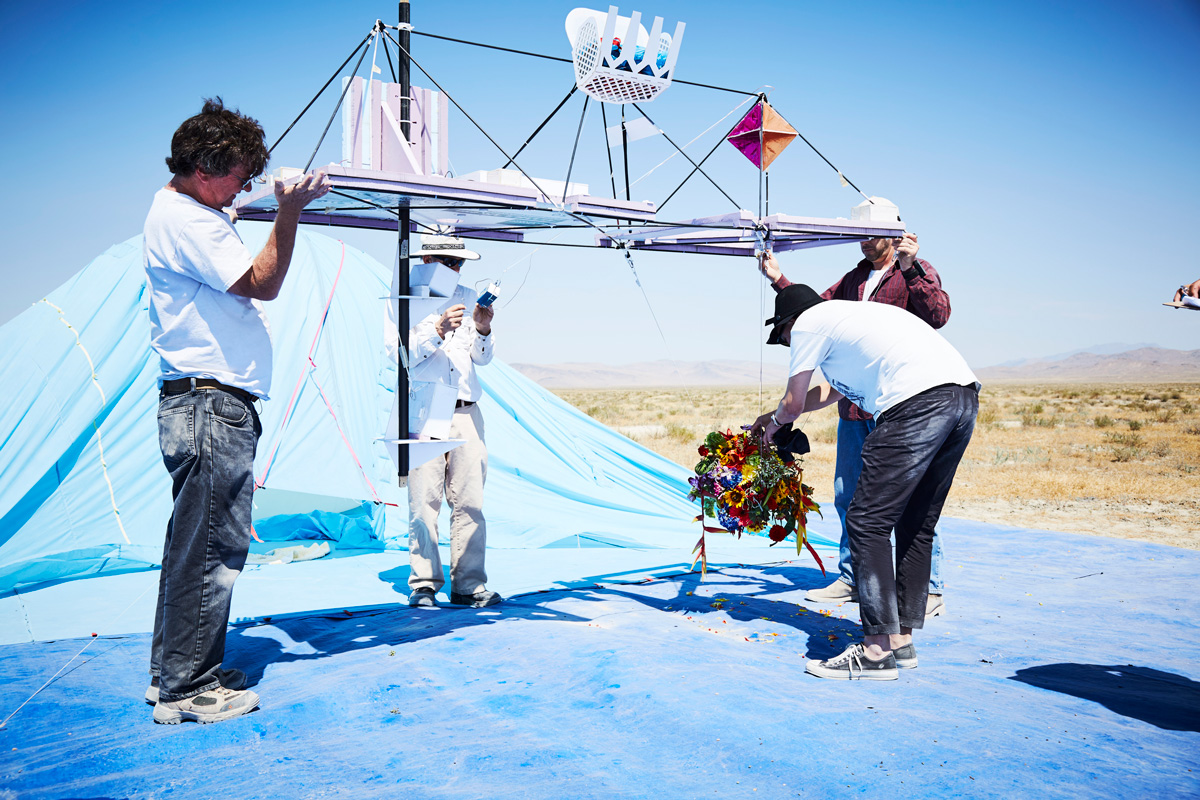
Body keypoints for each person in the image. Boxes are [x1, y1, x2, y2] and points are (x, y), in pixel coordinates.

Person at [143, 98, 331, 724]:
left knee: (192, 545)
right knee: (213, 548)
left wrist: (259, 204)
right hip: (210, 404)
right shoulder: (191, 221)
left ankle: (173, 670)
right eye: (239, 176)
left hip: (201, 401)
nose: (243, 188)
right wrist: (288, 210)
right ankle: (187, 690)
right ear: (203, 170)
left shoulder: (187, 211)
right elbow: (262, 281)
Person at [750, 284, 978, 680]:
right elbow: (827, 392)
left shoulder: (808, 325)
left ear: (788, 324)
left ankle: (874, 652)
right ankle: (901, 642)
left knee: (866, 521)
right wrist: (778, 414)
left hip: (915, 404)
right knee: (916, 524)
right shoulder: (853, 322)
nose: (788, 346)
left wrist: (769, 427)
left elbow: (793, 402)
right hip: (962, 399)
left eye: (783, 339)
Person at [759, 209, 951, 617]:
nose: (864, 243)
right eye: (859, 236)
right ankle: (854, 577)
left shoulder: (913, 271)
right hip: (852, 405)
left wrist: (910, 265)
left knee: (910, 499)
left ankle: (926, 589)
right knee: (850, 497)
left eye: (872, 235)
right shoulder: (852, 280)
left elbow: (938, 316)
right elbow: (811, 311)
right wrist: (780, 280)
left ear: (894, 234)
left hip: (899, 402)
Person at [406, 233, 501, 609]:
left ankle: (469, 586)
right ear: (427, 261)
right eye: (447, 261)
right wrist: (436, 330)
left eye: (459, 263)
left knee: (470, 501)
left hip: (466, 412)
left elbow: (483, 359)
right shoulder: (405, 300)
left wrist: (482, 329)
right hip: (424, 411)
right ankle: (424, 584)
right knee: (423, 501)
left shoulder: (467, 297)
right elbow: (397, 355)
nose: (454, 269)